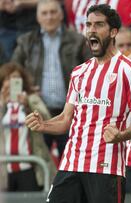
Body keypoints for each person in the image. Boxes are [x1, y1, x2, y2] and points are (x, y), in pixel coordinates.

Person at [25, 4, 131, 203]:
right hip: (71, 164)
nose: (91, 29)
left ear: (113, 31)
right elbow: (66, 119)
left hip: (106, 166)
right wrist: (44, 125)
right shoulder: (79, 72)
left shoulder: (128, 70)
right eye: (88, 24)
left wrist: (122, 135)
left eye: (99, 25)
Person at [11, 0, 92, 161]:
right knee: (39, 163)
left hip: (71, 113)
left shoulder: (78, 40)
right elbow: (13, 72)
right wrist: (25, 90)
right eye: (44, 13)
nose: (49, 17)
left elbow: (92, 70)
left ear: (61, 15)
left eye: (53, 12)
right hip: (38, 111)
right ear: (38, 17)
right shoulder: (26, 41)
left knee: (74, 163)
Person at [0, 62, 56, 191]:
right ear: (2, 81)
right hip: (3, 168)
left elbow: (47, 120)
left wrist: (28, 106)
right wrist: (2, 105)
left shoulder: (32, 99)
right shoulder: (1, 102)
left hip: (30, 166)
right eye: (8, 78)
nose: (12, 82)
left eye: (16, 78)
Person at [64, 0, 131, 43]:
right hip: (83, 55)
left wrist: (116, 45)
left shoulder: (119, 1)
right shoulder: (72, 2)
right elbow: (72, 28)